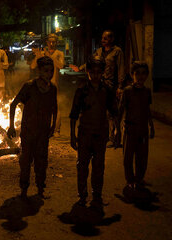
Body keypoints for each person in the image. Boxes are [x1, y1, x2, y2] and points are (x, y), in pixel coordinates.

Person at [69, 57, 117, 210]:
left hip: (100, 134)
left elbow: (113, 112)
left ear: (102, 73)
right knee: (82, 166)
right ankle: (82, 196)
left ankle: (97, 195)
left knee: (98, 167)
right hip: (84, 134)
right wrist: (72, 135)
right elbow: (74, 114)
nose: (95, 75)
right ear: (88, 73)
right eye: (92, 72)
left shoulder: (107, 91)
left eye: (98, 72)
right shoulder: (81, 91)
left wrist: (116, 131)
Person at [7, 56, 57, 200]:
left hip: (43, 132)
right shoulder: (29, 87)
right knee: (26, 162)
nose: (50, 73)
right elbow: (13, 104)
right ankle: (24, 190)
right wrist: (11, 126)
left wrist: (53, 125)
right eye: (46, 71)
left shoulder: (52, 88)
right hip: (29, 132)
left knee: (42, 161)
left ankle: (41, 189)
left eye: (51, 70)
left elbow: (54, 107)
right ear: (39, 71)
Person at [71, 30, 125, 147]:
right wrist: (80, 68)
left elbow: (121, 69)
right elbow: (92, 62)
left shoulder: (117, 52)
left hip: (112, 85)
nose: (103, 40)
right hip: (100, 83)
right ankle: (105, 136)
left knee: (113, 113)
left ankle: (114, 137)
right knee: (101, 111)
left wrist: (120, 87)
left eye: (105, 38)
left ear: (111, 39)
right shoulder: (99, 51)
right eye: (102, 38)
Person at [119, 61, 154, 191]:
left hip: (143, 129)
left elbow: (147, 110)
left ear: (147, 75)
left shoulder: (147, 91)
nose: (140, 77)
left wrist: (151, 126)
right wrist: (117, 128)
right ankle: (130, 180)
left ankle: (139, 179)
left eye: (143, 73)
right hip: (130, 129)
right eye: (137, 73)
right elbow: (121, 110)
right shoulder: (127, 91)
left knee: (142, 157)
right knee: (128, 157)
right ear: (132, 75)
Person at [30, 33, 65, 136]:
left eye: (53, 42)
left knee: (55, 107)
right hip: (42, 84)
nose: (51, 44)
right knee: (42, 106)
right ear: (46, 42)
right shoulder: (43, 53)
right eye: (49, 41)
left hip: (54, 83)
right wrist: (37, 55)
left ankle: (56, 129)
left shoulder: (59, 53)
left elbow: (61, 66)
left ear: (57, 43)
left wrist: (49, 56)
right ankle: (43, 128)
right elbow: (33, 66)